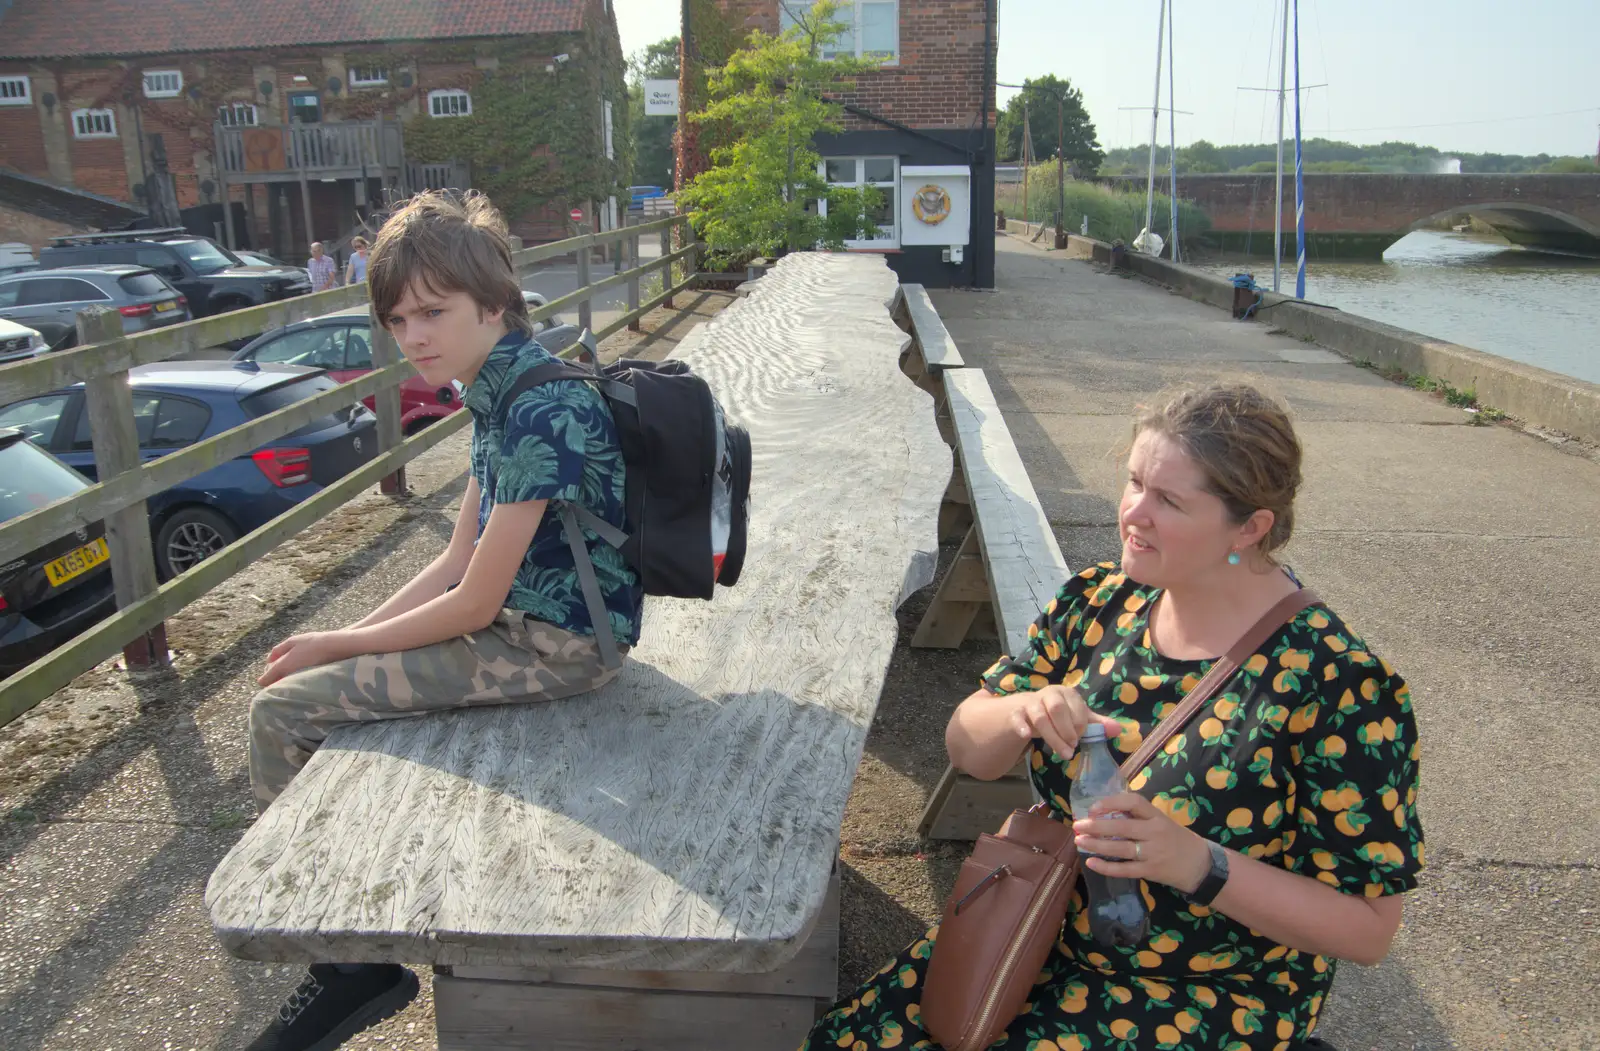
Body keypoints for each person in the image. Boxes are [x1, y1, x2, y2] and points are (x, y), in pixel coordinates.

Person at [803, 384, 1423, 1051]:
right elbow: (966, 746)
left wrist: (1198, 863)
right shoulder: (1101, 600)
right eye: (1134, 482)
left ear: (1250, 527)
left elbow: (1368, 928)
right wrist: (1019, 711)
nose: (1133, 513)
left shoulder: (1338, 682)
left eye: (1169, 501)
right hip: (1033, 933)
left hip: (1204, 988)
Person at [243, 190, 642, 1051]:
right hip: (520, 626)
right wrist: (335, 638)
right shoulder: (500, 393)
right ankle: (350, 919)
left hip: (560, 646)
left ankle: (353, 964)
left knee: (281, 712)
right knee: (301, 683)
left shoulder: (542, 409)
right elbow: (453, 559)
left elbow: (474, 602)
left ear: (492, 303)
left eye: (434, 311)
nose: (414, 335)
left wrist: (338, 646)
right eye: (397, 319)